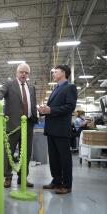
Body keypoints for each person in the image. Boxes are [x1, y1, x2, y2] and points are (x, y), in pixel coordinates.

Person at [0, 63, 38, 188]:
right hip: (12, 125)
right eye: (21, 72)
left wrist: (35, 115)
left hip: (28, 125)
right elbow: (0, 92)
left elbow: (32, 103)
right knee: (8, 152)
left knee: (26, 152)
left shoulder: (31, 88)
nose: (24, 74)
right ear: (16, 73)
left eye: (26, 72)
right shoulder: (9, 84)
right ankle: (8, 177)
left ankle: (23, 177)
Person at [38, 64, 77, 194]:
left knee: (64, 158)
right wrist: (44, 111)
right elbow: (53, 108)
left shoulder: (70, 87)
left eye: (56, 72)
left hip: (61, 129)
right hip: (51, 129)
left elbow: (70, 107)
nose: (53, 74)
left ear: (64, 73)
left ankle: (66, 185)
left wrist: (51, 110)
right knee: (54, 157)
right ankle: (56, 181)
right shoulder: (56, 89)